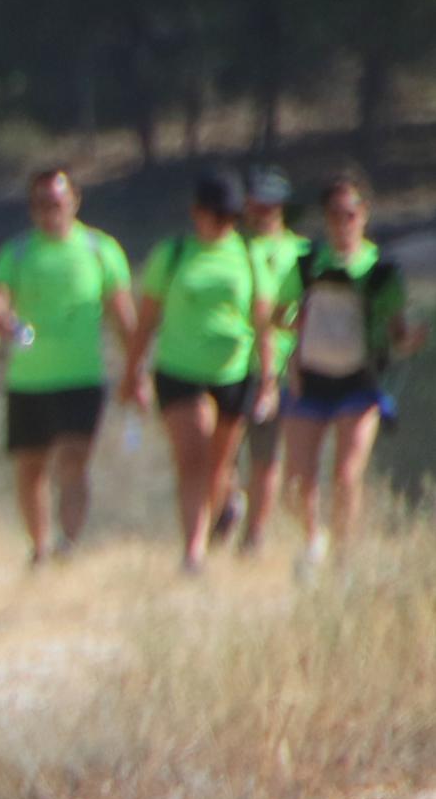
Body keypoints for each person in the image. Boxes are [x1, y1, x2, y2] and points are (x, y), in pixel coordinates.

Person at [0, 164, 131, 564]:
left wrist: (135, 370)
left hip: (81, 377)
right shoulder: (16, 253)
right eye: (40, 203)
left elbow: (122, 315)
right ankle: (39, 547)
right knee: (30, 467)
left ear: (75, 202)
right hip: (28, 379)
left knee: (72, 459)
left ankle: (69, 543)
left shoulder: (100, 251)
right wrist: (4, 320)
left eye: (57, 202)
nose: (49, 210)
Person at [274, 172, 416, 571]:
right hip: (311, 377)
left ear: (364, 215)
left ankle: (343, 559)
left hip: (359, 381)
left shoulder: (381, 270)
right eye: (334, 214)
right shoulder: (306, 265)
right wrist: (296, 341)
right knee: (297, 481)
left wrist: (409, 340)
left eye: (350, 214)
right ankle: (312, 538)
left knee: (346, 475)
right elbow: (276, 315)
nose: (342, 223)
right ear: (325, 217)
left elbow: (396, 330)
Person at [135, 172, 268, 574]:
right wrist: (133, 370)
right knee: (192, 456)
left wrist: (270, 380)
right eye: (217, 215)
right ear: (197, 214)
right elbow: (147, 318)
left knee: (218, 463)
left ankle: (225, 504)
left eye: (231, 217)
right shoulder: (172, 255)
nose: (224, 224)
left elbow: (262, 322)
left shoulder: (249, 257)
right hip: (179, 370)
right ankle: (193, 551)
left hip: (233, 372)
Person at [229, 169, 308, 553]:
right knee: (223, 450)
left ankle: (255, 535)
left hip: (276, 364)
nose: (259, 212)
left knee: (265, 455)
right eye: (254, 204)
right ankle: (228, 504)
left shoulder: (300, 253)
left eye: (267, 205)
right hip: (228, 362)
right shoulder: (233, 246)